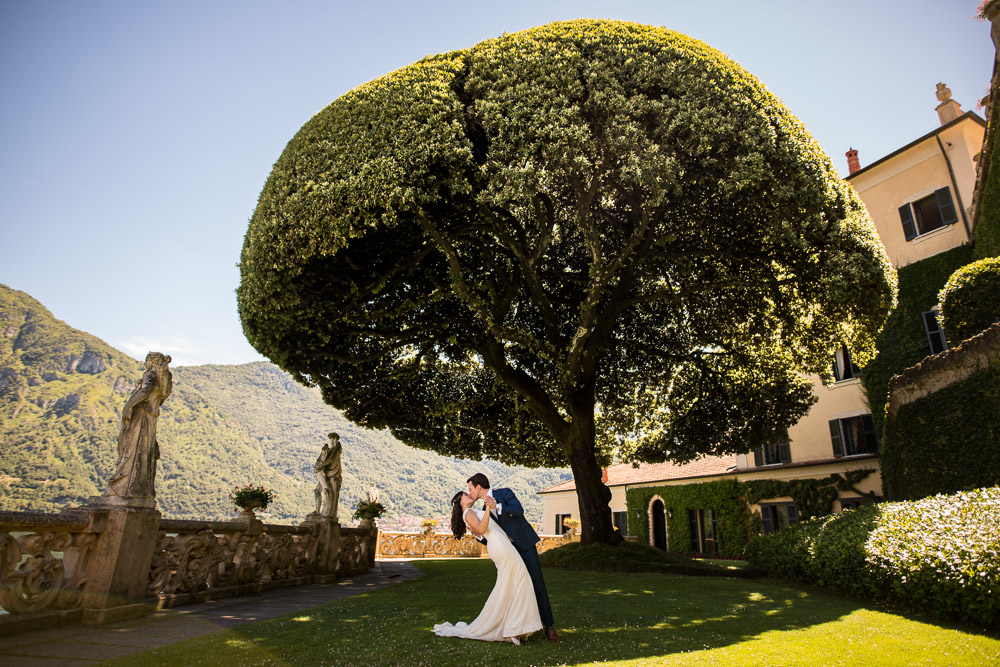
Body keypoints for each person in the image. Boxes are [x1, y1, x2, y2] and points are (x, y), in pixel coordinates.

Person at [433, 491, 542, 644]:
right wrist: (489, 508)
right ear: (460, 502)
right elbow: (483, 529)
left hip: (502, 545)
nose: (469, 495)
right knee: (520, 579)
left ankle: (515, 628)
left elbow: (480, 530)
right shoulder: (468, 512)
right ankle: (514, 629)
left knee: (513, 583)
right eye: (465, 495)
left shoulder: (469, 512)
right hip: (500, 546)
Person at [467, 473, 560, 643]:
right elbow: (488, 537)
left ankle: (549, 627)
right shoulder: (481, 512)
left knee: (537, 584)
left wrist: (497, 506)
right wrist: (477, 535)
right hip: (509, 554)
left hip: (525, 546)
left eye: (470, 489)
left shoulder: (505, 493)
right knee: (515, 588)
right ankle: (518, 627)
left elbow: (518, 511)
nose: (470, 493)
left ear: (478, 487)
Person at [103, 352, 172, 499]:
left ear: (151, 361)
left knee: (131, 451)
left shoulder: (150, 375)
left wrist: (128, 406)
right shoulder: (162, 380)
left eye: (146, 361)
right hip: (151, 419)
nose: (144, 364)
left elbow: (145, 390)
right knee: (145, 454)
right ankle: (140, 489)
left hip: (141, 417)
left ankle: (121, 488)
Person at [313, 432, 343, 517]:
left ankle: (326, 512)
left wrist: (320, 466)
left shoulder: (336, 448)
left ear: (335, 439)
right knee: (317, 491)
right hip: (325, 474)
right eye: (330, 438)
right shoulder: (331, 449)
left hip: (332, 475)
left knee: (327, 491)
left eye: (332, 438)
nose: (331, 440)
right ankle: (317, 511)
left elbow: (330, 461)